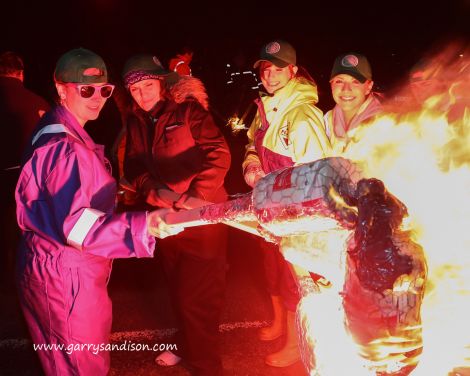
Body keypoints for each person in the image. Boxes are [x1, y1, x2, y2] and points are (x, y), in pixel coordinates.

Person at [15, 48, 180, 376]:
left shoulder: (57, 128)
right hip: (66, 276)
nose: (97, 97)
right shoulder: (65, 146)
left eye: (105, 89)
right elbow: (77, 227)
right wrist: (146, 225)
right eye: (86, 89)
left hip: (57, 268)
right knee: (81, 367)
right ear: (61, 89)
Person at [121, 54, 231, 375]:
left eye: (148, 85)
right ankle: (186, 344)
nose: (143, 95)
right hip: (166, 218)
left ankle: (208, 366)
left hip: (202, 217)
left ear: (161, 83)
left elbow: (219, 153)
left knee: (199, 297)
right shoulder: (135, 120)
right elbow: (135, 167)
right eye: (136, 90)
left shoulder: (188, 111)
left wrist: (197, 197)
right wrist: (159, 194)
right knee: (179, 288)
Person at [242, 39, 331, 367]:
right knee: (273, 271)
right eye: (266, 69)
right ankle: (282, 325)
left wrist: (292, 213)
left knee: (298, 279)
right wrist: (251, 165)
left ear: (293, 71)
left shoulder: (302, 114)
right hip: (271, 211)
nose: (271, 75)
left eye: (279, 69)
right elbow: (251, 143)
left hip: (295, 217)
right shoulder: (267, 107)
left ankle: (298, 343)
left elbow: (314, 178)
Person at [0, 51, 50, 289]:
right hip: (31, 179)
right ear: (21, 73)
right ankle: (28, 278)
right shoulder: (38, 102)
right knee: (25, 231)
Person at [324, 52, 382, 153]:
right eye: (339, 81)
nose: (346, 89)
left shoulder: (383, 124)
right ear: (331, 85)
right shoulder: (326, 122)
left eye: (355, 82)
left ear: (368, 87)